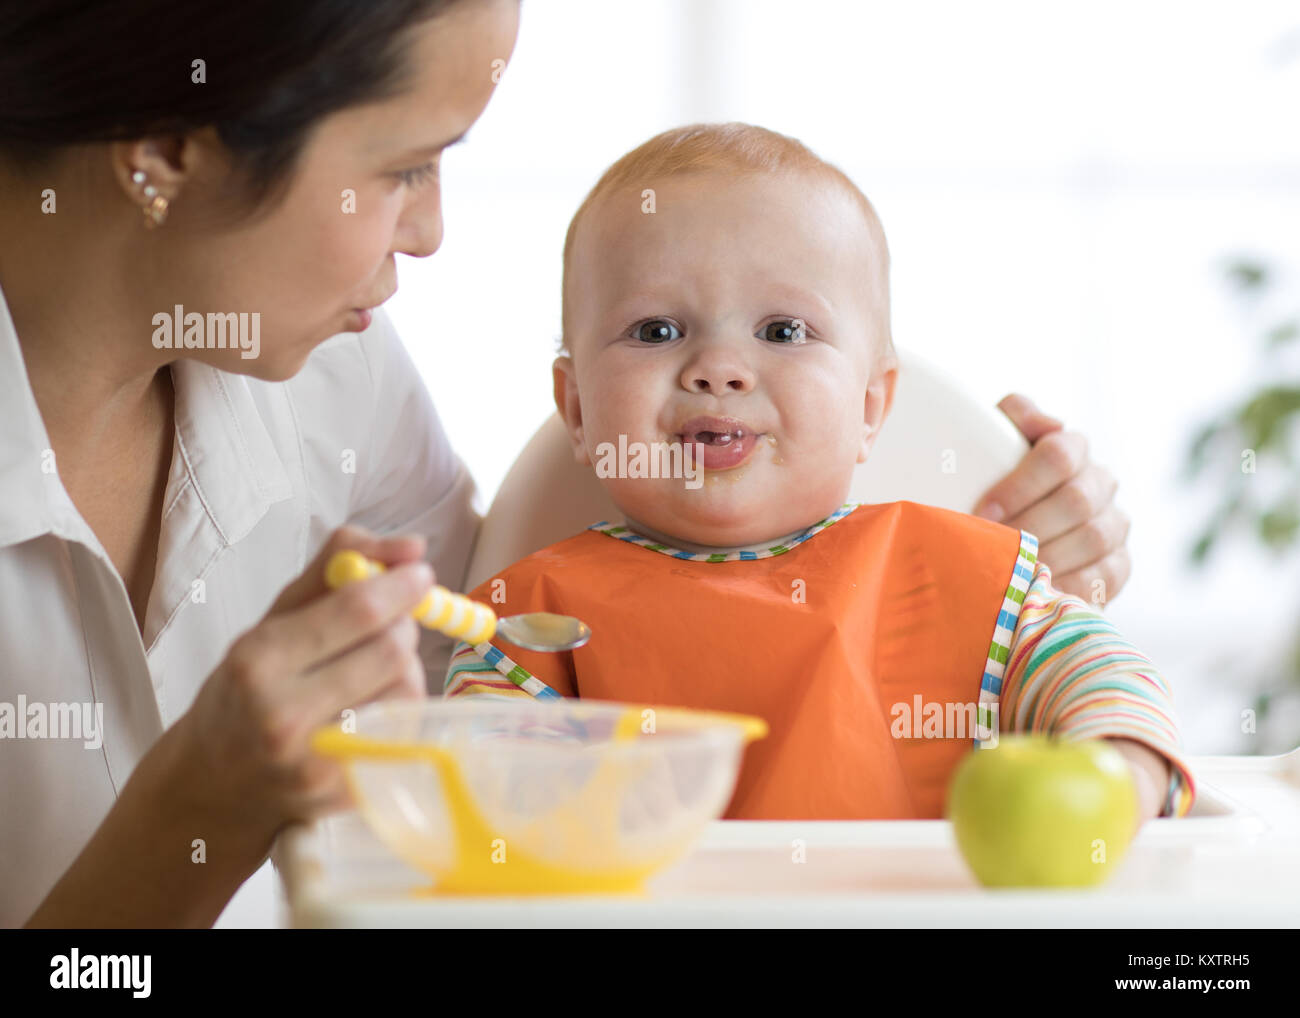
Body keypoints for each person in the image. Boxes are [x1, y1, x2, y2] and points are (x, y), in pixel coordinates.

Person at [0, 2, 1131, 928]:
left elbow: (478, 620)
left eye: (783, 333)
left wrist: (1049, 555)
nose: (431, 231)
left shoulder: (330, 367)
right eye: (405, 166)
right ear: (166, 154)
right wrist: (193, 814)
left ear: (874, 398)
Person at [444, 123, 1195, 824]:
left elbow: (1101, 675)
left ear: (871, 406)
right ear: (576, 409)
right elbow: (476, 789)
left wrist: (1117, 772)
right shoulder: (525, 620)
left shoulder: (964, 576)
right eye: (657, 331)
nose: (719, 369)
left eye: (784, 331)